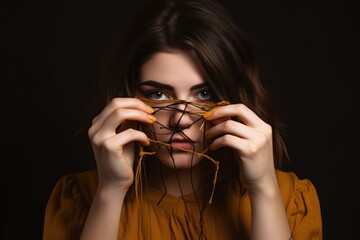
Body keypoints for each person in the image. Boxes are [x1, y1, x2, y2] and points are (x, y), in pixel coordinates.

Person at [42, 0, 322, 239]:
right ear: (127, 97)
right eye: (159, 94)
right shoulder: (80, 199)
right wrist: (111, 191)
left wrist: (263, 188)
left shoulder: (289, 200)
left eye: (203, 93)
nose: (180, 120)